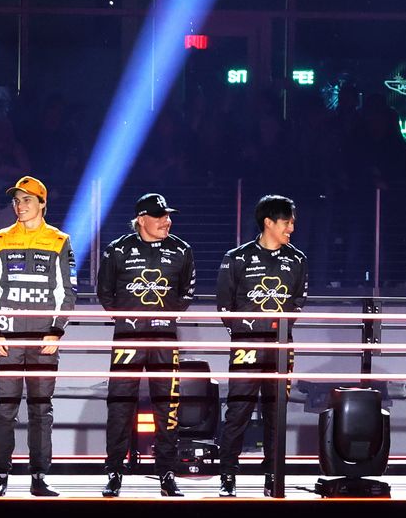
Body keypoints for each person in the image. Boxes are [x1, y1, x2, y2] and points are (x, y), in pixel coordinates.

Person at [0, 174, 75, 497]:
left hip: (43, 339)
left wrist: (56, 331)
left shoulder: (59, 240)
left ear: (43, 203)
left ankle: (39, 476)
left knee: (40, 409)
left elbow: (67, 292)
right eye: (17, 200)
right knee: (4, 409)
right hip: (7, 339)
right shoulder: (0, 239)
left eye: (27, 200)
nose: (20, 206)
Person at [95, 192, 194, 497]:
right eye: (160, 216)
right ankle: (114, 471)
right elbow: (105, 293)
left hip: (165, 339)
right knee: (120, 405)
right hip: (128, 337)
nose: (167, 221)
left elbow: (186, 293)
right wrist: (129, 320)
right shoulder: (117, 249)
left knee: (168, 406)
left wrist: (164, 317)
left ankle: (167, 472)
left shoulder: (181, 249)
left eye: (168, 215)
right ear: (141, 219)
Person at [215, 194, 308, 497]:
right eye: (287, 222)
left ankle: (273, 475)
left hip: (281, 348)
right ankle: (228, 475)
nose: (291, 228)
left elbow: (298, 301)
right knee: (238, 412)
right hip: (246, 345)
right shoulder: (237, 257)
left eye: (292, 222)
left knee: (276, 413)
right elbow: (224, 304)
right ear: (269, 222)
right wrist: (244, 332)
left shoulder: (298, 259)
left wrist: (279, 330)